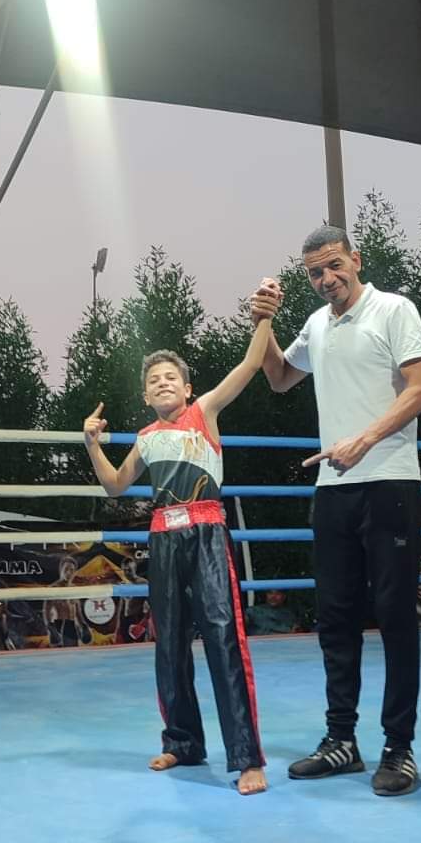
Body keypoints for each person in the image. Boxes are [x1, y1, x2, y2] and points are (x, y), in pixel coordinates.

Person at [251, 225, 421, 796]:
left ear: (356, 259)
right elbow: (279, 378)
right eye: (315, 272)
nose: (326, 278)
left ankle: (399, 747)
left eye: (334, 265)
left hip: (390, 482)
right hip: (333, 489)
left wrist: (364, 439)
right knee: (334, 618)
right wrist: (262, 321)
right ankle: (341, 740)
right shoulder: (316, 324)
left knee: (395, 616)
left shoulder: (394, 309)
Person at [83, 322, 274, 795]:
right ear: (145, 396)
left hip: (206, 534)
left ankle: (247, 757)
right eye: (154, 380)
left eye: (171, 377)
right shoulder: (147, 437)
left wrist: (264, 317)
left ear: (187, 388)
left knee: (223, 639)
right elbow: (115, 486)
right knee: (168, 645)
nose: (162, 383)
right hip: (163, 539)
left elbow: (251, 364)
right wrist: (91, 445)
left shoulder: (204, 412)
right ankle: (183, 742)